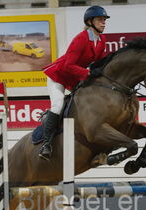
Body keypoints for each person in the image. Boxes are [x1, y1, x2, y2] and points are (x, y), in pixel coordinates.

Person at [39, 5, 110, 160]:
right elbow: (68, 65)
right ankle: (46, 144)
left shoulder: (102, 39)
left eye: (104, 20)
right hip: (58, 75)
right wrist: (88, 73)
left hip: (74, 78)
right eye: (100, 20)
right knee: (57, 105)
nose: (103, 23)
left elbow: (99, 63)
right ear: (90, 21)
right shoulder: (81, 38)